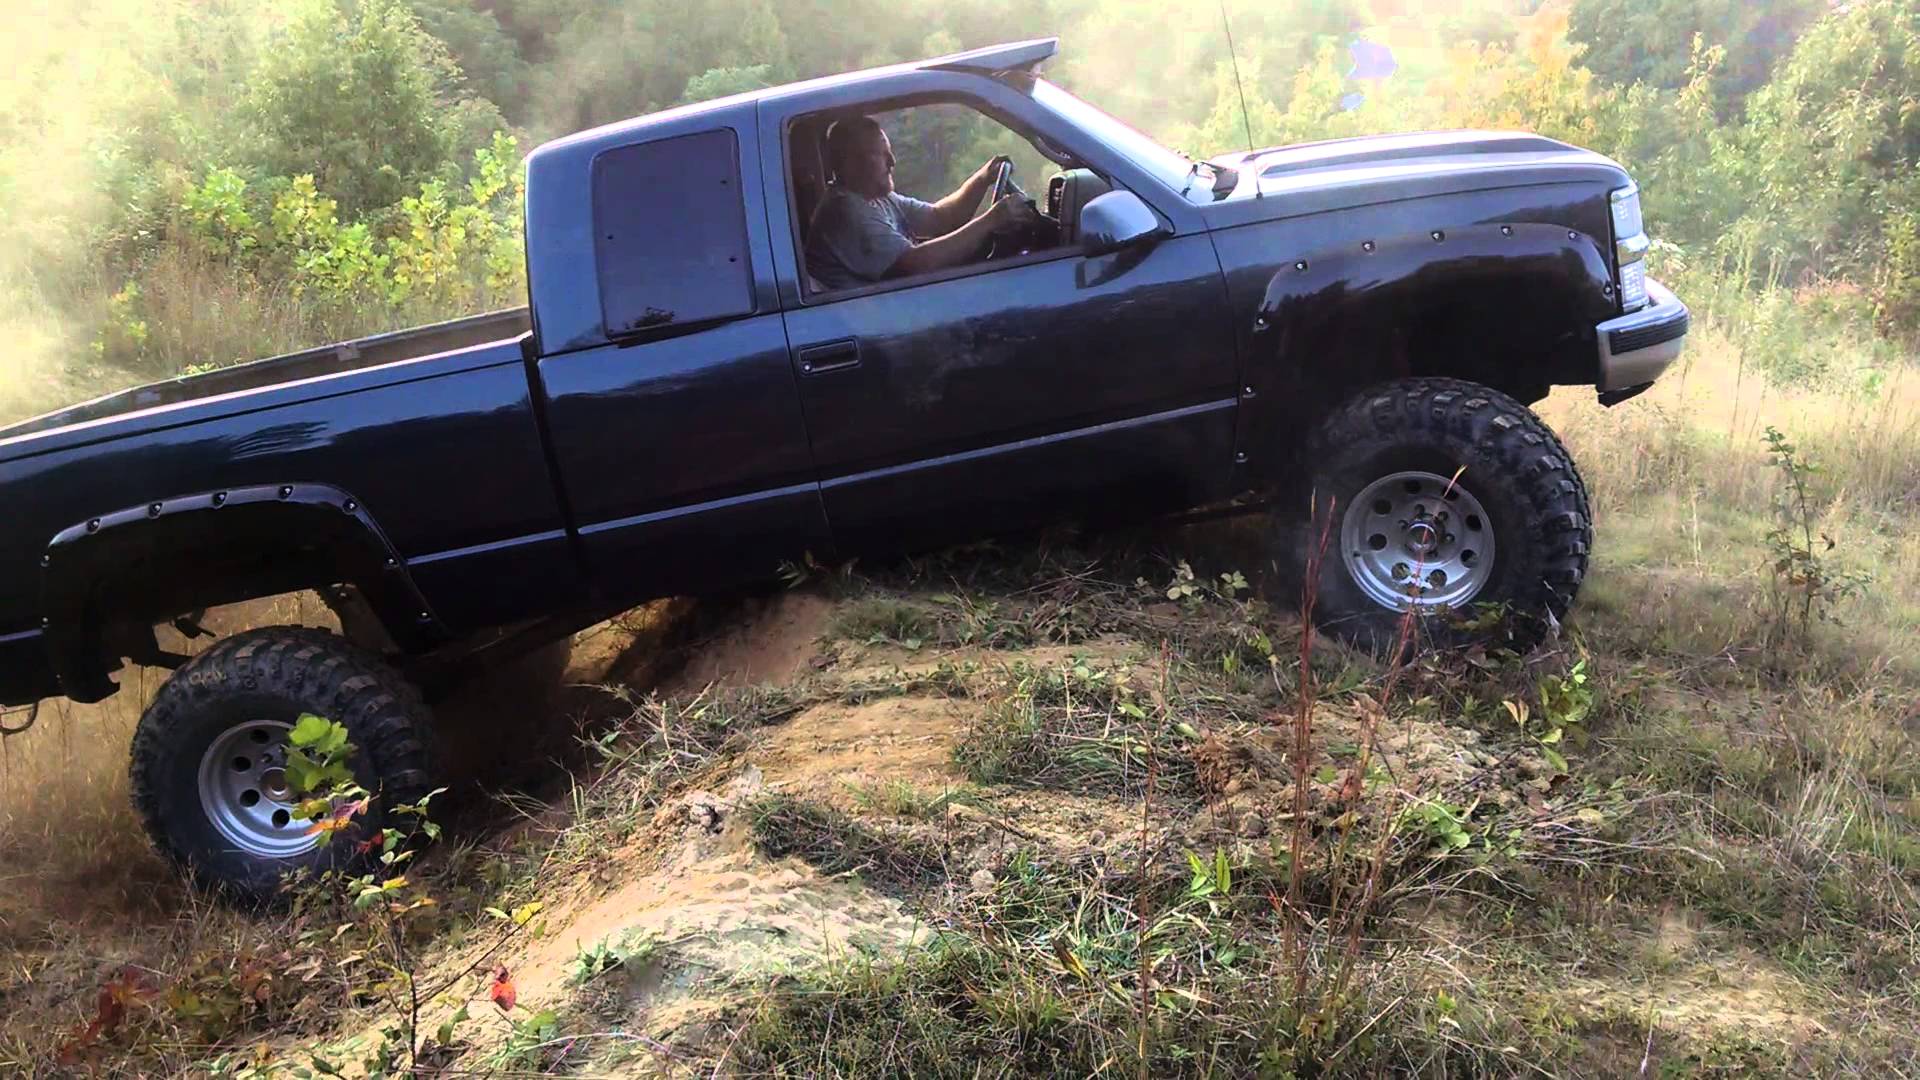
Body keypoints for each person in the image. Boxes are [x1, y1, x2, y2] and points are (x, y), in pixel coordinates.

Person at [806, 115, 1042, 290]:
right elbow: (917, 264)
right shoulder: (845, 211)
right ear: (850, 163)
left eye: (890, 152)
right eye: (880, 154)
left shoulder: (878, 197)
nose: (893, 161)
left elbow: (941, 218)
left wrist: (982, 179)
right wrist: (992, 220)